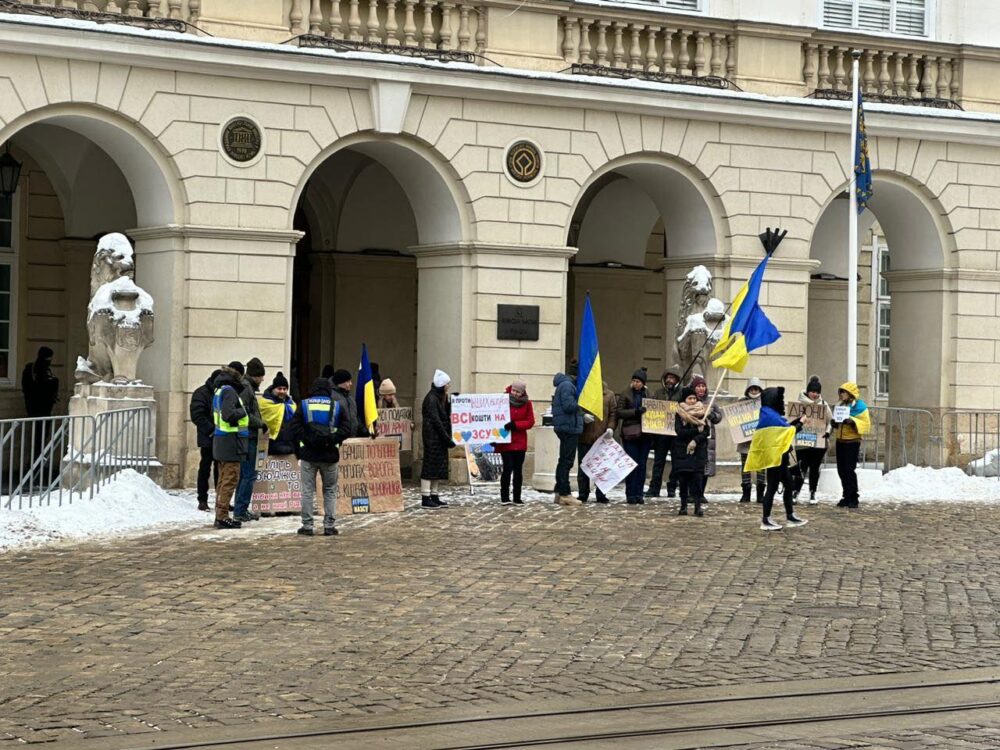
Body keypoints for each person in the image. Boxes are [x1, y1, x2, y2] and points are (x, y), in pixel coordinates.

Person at [290, 377, 352, 536]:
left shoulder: (303, 405)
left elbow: (295, 428)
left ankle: (307, 526)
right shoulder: (337, 406)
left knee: (307, 491)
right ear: (328, 390)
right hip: (330, 455)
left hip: (309, 455)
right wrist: (331, 440)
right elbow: (346, 429)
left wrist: (308, 439)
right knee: (330, 491)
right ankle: (329, 526)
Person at [751, 386, 809, 531]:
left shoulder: (769, 414)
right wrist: (800, 423)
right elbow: (787, 432)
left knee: (789, 484)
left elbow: (783, 429)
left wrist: (796, 421)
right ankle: (766, 519)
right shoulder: (771, 416)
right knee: (772, 487)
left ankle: (790, 515)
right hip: (775, 458)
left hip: (779, 457)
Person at [211, 364, 248, 530]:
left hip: (221, 440)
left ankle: (220, 515)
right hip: (231, 441)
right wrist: (243, 411)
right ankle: (222, 516)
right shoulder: (229, 391)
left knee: (222, 480)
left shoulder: (219, 390)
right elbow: (228, 415)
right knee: (229, 479)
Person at [233, 358, 267, 523]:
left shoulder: (247, 387)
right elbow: (245, 412)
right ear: (255, 376)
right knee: (249, 475)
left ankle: (241, 508)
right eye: (261, 376)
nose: (262, 380)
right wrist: (260, 423)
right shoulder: (246, 388)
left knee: (246, 475)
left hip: (247, 435)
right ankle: (240, 509)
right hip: (248, 436)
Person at [793, 375, 832, 505]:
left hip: (819, 442)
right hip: (803, 442)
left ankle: (812, 492)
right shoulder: (799, 404)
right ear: (807, 391)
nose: (814, 395)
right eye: (812, 392)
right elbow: (792, 420)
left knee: (815, 468)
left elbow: (829, 421)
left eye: (817, 392)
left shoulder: (824, 404)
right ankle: (795, 491)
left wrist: (827, 432)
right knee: (801, 467)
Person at [645, 365, 682, 499]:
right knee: (658, 462)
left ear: (677, 380)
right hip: (661, 434)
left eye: (672, 378)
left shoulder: (681, 393)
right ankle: (654, 487)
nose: (669, 380)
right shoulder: (659, 393)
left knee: (676, 462)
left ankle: (672, 487)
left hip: (676, 433)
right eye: (667, 377)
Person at [495, 380, 535, 505]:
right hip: (506, 441)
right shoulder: (503, 400)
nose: (515, 394)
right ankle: (505, 497)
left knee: (518, 470)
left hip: (520, 441)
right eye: (514, 391)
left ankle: (517, 497)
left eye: (518, 392)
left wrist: (516, 425)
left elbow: (530, 421)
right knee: (507, 469)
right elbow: (495, 416)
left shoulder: (527, 403)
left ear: (523, 393)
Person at [577, 381, 617, 503]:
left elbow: (613, 413)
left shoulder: (609, 395)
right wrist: (582, 415)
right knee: (584, 466)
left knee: (603, 467)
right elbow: (577, 408)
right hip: (585, 436)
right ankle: (583, 493)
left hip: (602, 437)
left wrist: (611, 427)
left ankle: (601, 493)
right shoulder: (584, 393)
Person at [833, 381, 871, 509]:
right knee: (841, 470)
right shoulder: (841, 405)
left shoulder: (860, 406)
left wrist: (852, 421)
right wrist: (834, 423)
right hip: (840, 441)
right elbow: (837, 421)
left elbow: (865, 424)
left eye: (843, 392)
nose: (841, 394)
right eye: (841, 392)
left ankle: (853, 497)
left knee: (849, 470)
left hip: (852, 442)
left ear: (850, 393)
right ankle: (846, 495)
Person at [672, 386, 709, 517]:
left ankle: (698, 506)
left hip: (698, 451)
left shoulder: (703, 412)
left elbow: (706, 431)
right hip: (682, 452)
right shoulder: (679, 413)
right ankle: (683, 505)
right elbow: (679, 432)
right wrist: (695, 431)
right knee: (683, 480)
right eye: (690, 398)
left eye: (694, 398)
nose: (692, 401)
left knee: (698, 480)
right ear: (684, 399)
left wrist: (695, 441)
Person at [420, 369, 454, 509]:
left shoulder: (439, 397)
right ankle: (426, 496)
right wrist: (447, 438)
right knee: (429, 467)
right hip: (433, 438)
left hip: (438, 439)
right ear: (442, 385)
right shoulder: (431, 399)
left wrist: (452, 402)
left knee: (437, 467)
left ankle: (434, 495)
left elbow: (444, 413)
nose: (449, 386)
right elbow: (437, 421)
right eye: (447, 383)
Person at [617, 368, 652, 505]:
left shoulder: (648, 394)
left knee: (642, 465)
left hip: (645, 434)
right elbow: (620, 412)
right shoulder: (626, 394)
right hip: (630, 433)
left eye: (638, 381)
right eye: (634, 381)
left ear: (643, 383)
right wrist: (635, 412)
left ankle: (639, 493)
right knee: (632, 464)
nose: (636, 383)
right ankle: (630, 493)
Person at [189, 368, 222, 512]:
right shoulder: (201, 393)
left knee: (220, 469)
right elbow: (197, 415)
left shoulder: (223, 392)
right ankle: (202, 499)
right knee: (205, 468)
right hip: (208, 436)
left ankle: (220, 499)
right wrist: (211, 430)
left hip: (222, 436)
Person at [551, 371, 583, 506]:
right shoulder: (567, 386)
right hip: (569, 428)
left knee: (564, 460)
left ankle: (559, 492)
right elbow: (569, 406)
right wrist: (583, 401)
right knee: (566, 462)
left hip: (567, 426)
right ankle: (565, 493)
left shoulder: (565, 385)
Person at [690, 374, 722, 495]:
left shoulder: (711, 402)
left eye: (703, 386)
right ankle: (691, 493)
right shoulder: (690, 400)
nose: (701, 388)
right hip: (693, 436)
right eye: (698, 386)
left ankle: (701, 493)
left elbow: (719, 417)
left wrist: (712, 415)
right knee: (693, 466)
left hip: (708, 439)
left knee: (706, 466)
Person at [736, 377, 765, 504]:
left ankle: (760, 493)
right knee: (746, 467)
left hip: (760, 440)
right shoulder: (741, 403)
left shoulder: (765, 402)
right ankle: (746, 493)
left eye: (756, 388)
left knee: (761, 467)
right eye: (752, 388)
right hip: (745, 441)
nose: (754, 391)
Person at [261, 372, 297, 456]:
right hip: (271, 446)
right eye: (279, 388)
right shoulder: (264, 403)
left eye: (285, 389)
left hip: (290, 446)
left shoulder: (292, 405)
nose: (282, 391)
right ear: (273, 389)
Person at [21, 346, 59, 417]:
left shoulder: (43, 369)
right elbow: (39, 385)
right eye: (49, 358)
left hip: (38, 405)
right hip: (37, 405)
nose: (50, 361)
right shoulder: (32, 369)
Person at [331, 369, 360, 438]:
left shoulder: (350, 398)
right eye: (348, 381)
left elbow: (355, 416)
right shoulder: (332, 397)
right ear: (340, 383)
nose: (351, 384)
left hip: (352, 438)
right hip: (339, 438)